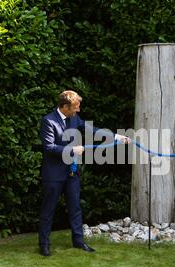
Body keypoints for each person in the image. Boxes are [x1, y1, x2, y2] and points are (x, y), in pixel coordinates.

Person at [39, 90, 130, 256]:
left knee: (75, 208)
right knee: (48, 210)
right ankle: (44, 245)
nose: (78, 110)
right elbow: (49, 147)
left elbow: (91, 129)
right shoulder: (48, 121)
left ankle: (78, 242)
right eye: (75, 107)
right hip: (53, 174)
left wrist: (116, 137)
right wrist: (72, 149)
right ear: (65, 106)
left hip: (71, 172)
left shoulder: (74, 118)